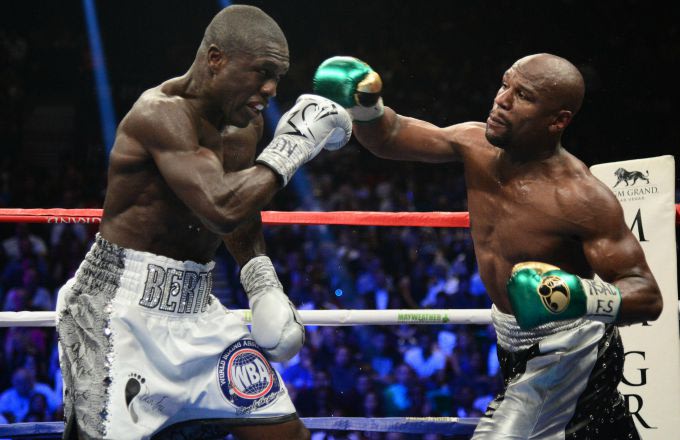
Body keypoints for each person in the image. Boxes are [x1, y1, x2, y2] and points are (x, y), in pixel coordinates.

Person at [313, 53, 663, 439]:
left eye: (523, 95)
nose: (502, 99)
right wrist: (365, 108)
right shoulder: (474, 143)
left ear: (557, 120)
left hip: (569, 349)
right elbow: (390, 137)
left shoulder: (580, 198)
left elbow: (646, 295)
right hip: (513, 341)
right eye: (504, 84)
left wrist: (574, 293)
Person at [56, 5, 351, 440]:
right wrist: (293, 146)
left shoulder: (246, 123)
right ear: (216, 59)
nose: (270, 89)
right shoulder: (160, 114)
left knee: (286, 435)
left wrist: (261, 282)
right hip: (118, 311)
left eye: (278, 78)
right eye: (262, 72)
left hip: (197, 309)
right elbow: (219, 206)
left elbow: (242, 211)